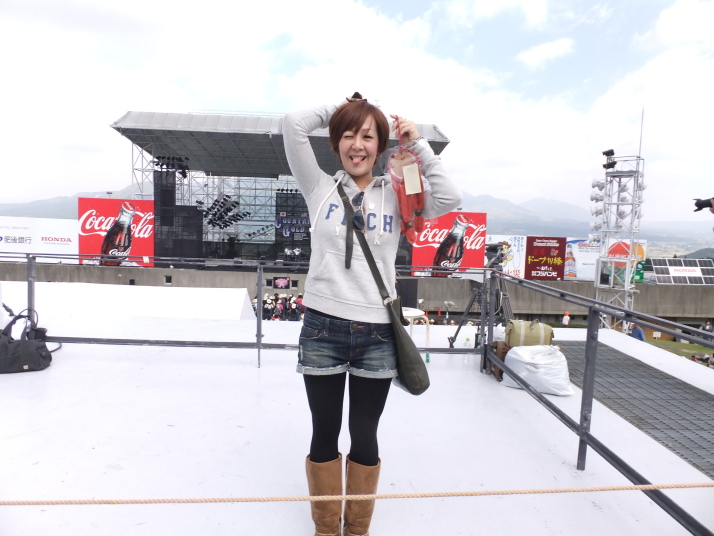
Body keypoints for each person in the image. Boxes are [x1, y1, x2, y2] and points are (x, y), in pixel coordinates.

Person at [283, 93, 461, 536]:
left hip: (377, 333)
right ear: (336, 143)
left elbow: (450, 197)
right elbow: (292, 123)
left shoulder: (399, 193)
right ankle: (327, 528)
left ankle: (357, 529)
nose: (357, 145)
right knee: (324, 431)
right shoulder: (318, 186)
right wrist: (344, 108)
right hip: (322, 328)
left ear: (380, 145)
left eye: (367, 136)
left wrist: (416, 144)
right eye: (348, 135)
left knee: (364, 433)